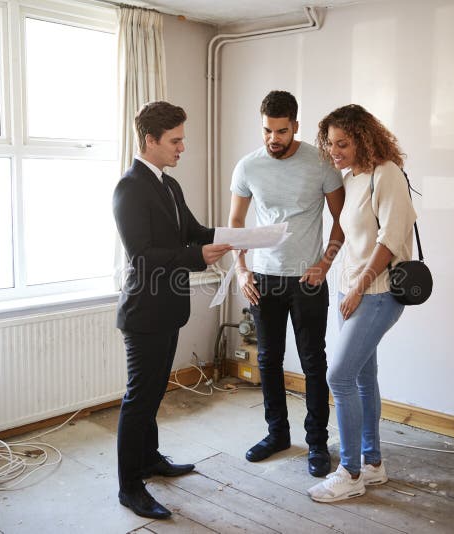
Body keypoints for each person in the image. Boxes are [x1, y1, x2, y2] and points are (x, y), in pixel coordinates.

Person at [112, 101, 232, 519]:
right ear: (151, 140)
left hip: (168, 310)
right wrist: (198, 257)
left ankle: (150, 460)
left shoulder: (169, 184)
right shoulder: (129, 188)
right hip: (144, 312)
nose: (183, 147)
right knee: (139, 399)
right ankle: (130, 486)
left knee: (154, 393)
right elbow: (143, 257)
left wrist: (239, 236)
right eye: (176, 140)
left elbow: (194, 232)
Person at [228, 90, 345, 477]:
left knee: (314, 362)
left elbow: (343, 221)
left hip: (307, 280)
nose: (273, 139)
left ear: (295, 125)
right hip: (263, 277)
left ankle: (316, 444)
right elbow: (235, 225)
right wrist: (242, 271)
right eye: (267, 131)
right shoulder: (248, 167)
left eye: (281, 131)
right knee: (268, 359)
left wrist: (325, 265)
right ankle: (277, 434)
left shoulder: (321, 162)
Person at [307, 104, 416, 502]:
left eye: (344, 144)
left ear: (363, 139)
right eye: (331, 144)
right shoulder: (352, 177)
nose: (334, 151)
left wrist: (358, 288)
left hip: (378, 294)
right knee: (363, 378)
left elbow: (391, 238)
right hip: (349, 291)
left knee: (339, 377)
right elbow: (346, 232)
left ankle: (350, 472)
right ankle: (373, 463)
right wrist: (326, 265)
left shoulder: (386, 174)